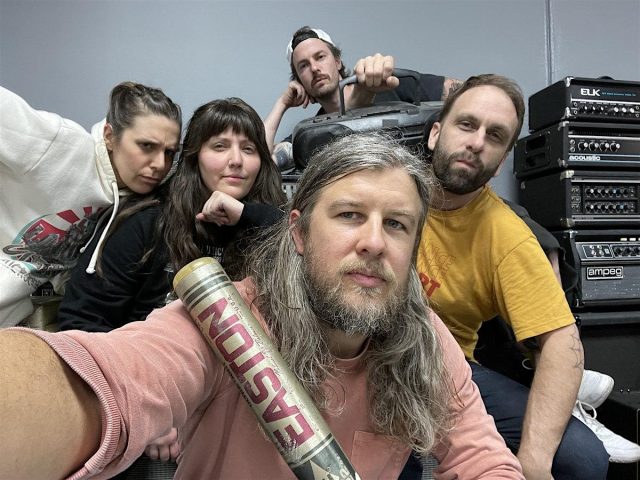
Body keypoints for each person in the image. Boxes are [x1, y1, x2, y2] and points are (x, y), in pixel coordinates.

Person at [0, 133, 524, 479]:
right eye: (348, 215)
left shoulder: (423, 334)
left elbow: (482, 460)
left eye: (396, 224)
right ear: (298, 233)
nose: (373, 242)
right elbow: (115, 378)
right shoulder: (227, 322)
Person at [415, 74, 612, 479]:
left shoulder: (507, 235)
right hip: (368, 358)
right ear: (436, 134)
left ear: (502, 160)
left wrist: (535, 459)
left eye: (495, 136)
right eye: (466, 124)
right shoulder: (391, 191)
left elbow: (561, 342)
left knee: (581, 458)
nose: (476, 143)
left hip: (445, 370)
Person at [57, 97, 286, 332]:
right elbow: (81, 322)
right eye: (220, 146)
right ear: (194, 156)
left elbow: (300, 243)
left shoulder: (270, 222)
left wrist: (247, 214)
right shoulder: (146, 220)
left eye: (248, 149)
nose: (236, 160)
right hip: (145, 351)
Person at [0, 82, 182, 327]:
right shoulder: (61, 145)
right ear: (109, 136)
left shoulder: (138, 200)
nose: (160, 164)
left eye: (169, 152)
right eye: (146, 146)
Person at [263, 26, 462, 169]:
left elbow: (468, 93)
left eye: (320, 57)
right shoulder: (313, 134)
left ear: (338, 61)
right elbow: (262, 160)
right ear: (299, 80)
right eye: (303, 66)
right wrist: (282, 103)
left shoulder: (390, 83)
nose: (314, 68)